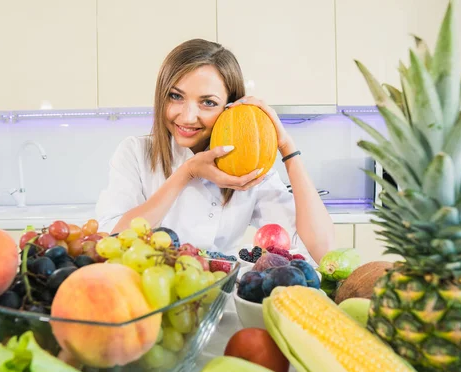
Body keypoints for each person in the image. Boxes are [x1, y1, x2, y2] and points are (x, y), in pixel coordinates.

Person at [95, 38, 334, 263]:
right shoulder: (135, 152)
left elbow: (321, 250)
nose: (187, 117)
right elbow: (110, 242)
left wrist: (287, 148)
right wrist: (187, 172)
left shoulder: (249, 165)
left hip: (220, 296)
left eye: (208, 102)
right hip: (147, 297)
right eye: (176, 96)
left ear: (230, 107)